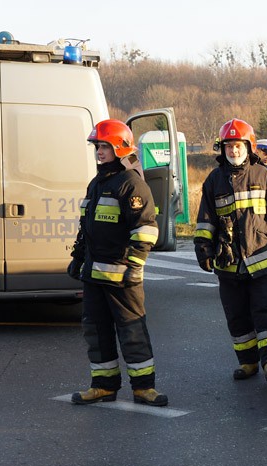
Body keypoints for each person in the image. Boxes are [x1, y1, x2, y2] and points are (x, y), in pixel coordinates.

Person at [69, 119, 167, 407]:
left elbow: (146, 230)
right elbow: (86, 226)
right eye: (97, 147)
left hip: (123, 276)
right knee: (95, 331)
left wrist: (135, 266)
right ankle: (103, 386)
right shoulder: (97, 183)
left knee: (132, 331)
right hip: (94, 275)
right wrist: (78, 257)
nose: (99, 152)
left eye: (104, 146)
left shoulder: (131, 184)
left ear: (120, 148)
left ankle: (144, 388)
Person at [194, 119, 267, 381]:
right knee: (236, 315)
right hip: (229, 262)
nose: (234, 151)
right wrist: (203, 248)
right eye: (229, 146)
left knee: (265, 311)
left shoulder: (263, 175)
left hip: (259, 258)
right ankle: (248, 363)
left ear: (249, 147)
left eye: (238, 146)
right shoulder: (214, 180)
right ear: (222, 149)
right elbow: (206, 220)